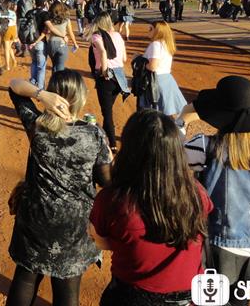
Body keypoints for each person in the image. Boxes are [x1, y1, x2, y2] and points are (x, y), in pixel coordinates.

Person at [179, 76, 250, 306]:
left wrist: (182, 119)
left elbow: (170, 154)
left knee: (209, 301)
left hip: (218, 247)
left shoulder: (206, 146)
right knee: (240, 301)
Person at [6, 72, 112, 306]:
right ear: (81, 98)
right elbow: (106, 181)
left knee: (25, 279)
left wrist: (41, 94)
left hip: (35, 220)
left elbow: (14, 86)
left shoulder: (37, 126)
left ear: (54, 95)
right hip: (74, 227)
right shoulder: (94, 134)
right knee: (67, 291)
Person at [89, 109, 212, 306]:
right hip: (189, 298)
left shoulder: (113, 199)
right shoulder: (197, 192)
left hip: (133, 296)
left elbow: (100, 241)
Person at [89, 12, 129, 152]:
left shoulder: (97, 36)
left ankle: (112, 144)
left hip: (106, 78)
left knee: (107, 113)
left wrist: (105, 71)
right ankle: (107, 136)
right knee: (108, 110)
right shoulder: (118, 35)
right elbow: (124, 58)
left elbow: (103, 52)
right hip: (120, 78)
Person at [137, 21, 187, 116]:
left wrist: (139, 61)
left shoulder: (155, 44)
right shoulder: (166, 43)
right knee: (166, 113)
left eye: (151, 29)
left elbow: (153, 66)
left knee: (154, 115)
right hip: (167, 80)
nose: (148, 30)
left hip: (156, 82)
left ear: (157, 31)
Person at [45, 2, 78, 74]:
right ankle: (58, 80)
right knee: (60, 67)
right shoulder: (66, 19)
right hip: (61, 44)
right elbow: (70, 32)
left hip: (51, 44)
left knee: (54, 66)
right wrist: (75, 43)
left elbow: (47, 31)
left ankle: (53, 80)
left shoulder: (49, 19)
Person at [26, 0, 51, 89]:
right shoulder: (45, 14)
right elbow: (48, 29)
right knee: (41, 67)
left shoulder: (29, 13)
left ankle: (33, 83)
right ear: (44, 3)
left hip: (29, 41)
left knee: (34, 62)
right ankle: (40, 88)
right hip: (40, 42)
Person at [2, 0, 19, 72]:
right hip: (13, 29)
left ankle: (7, 65)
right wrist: (16, 34)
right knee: (9, 47)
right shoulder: (13, 13)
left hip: (7, 29)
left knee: (6, 48)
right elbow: (15, 23)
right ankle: (14, 60)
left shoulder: (3, 12)